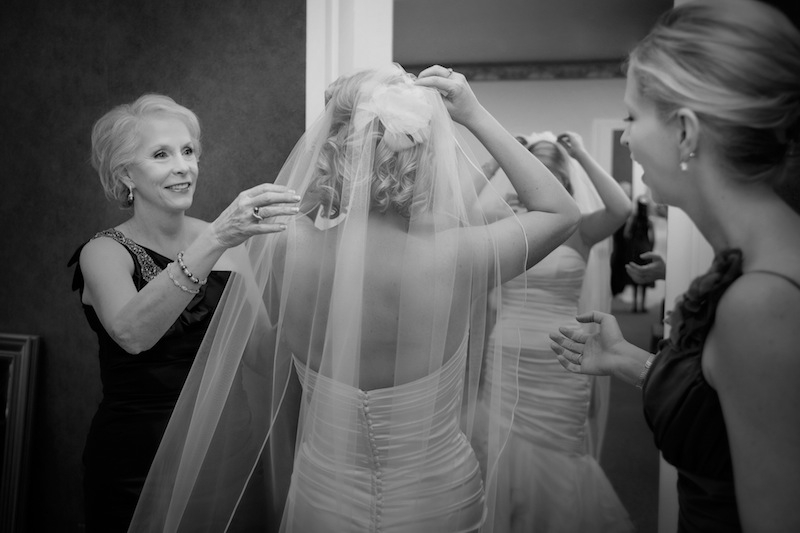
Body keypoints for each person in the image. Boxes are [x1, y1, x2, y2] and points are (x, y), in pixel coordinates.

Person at [127, 64, 581, 532]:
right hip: (435, 502)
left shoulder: (281, 244)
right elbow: (561, 212)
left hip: (322, 499)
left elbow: (262, 357)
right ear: (426, 157)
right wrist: (475, 114)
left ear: (329, 151)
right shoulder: (458, 255)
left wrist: (338, 144)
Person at [550, 1, 800, 531]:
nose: (625, 138)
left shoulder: (765, 301)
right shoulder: (746, 263)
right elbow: (727, 407)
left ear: (686, 132)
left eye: (632, 118)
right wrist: (627, 359)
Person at [68, 94, 300, 533]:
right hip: (140, 458)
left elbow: (261, 353)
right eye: (161, 154)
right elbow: (133, 334)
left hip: (224, 450)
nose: (184, 166)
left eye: (189, 151)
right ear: (124, 175)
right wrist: (216, 240)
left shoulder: (227, 239)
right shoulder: (103, 253)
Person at [478, 131, 633, 532]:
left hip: (563, 355)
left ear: (562, 181)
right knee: (503, 451)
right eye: (532, 171)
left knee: (560, 450)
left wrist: (581, 153)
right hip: (508, 353)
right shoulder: (505, 223)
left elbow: (621, 207)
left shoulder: (576, 228)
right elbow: (457, 209)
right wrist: (495, 159)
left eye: (550, 173)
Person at [624, 196, 655, 312]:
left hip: (635, 250)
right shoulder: (649, 221)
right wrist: (650, 247)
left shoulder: (634, 219)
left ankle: (635, 305)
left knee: (635, 277)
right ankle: (642, 305)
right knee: (644, 277)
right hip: (645, 249)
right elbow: (653, 238)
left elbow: (627, 234)